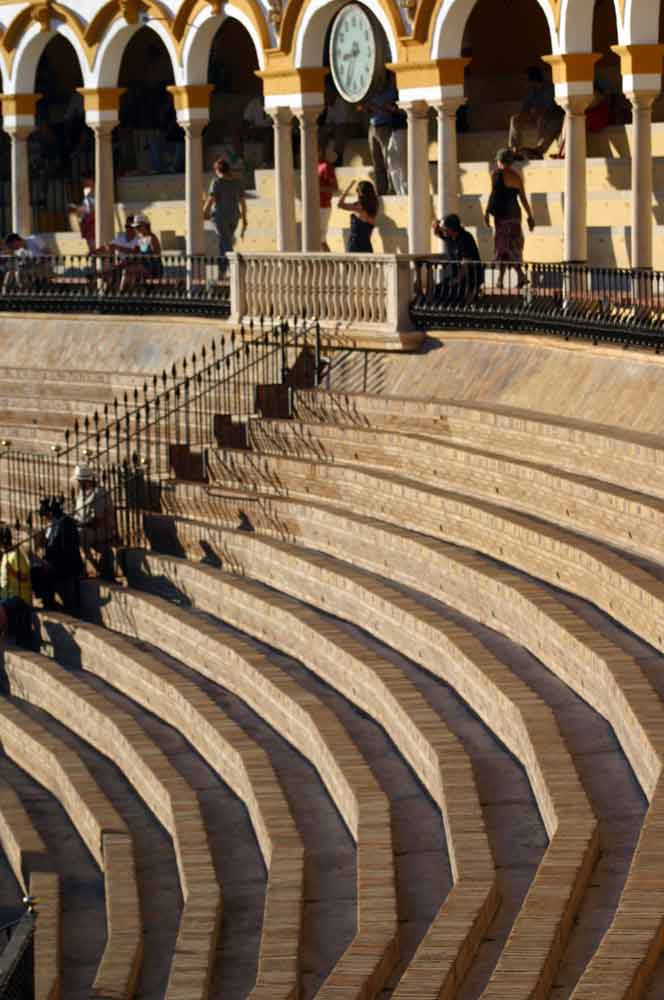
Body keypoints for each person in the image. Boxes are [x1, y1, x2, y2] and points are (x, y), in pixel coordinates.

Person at [484, 148, 534, 288]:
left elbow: (493, 194)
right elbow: (523, 199)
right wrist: (530, 216)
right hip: (516, 216)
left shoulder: (497, 174)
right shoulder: (517, 177)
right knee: (513, 247)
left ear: (500, 161)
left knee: (502, 248)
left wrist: (487, 212)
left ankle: (507, 278)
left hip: (503, 216)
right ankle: (513, 277)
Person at [31, 497, 83, 610]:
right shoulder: (55, 523)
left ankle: (48, 602)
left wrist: (48, 561)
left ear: (50, 514)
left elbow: (66, 551)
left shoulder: (63, 524)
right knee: (35, 569)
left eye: (44, 515)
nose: (43, 518)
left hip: (66, 566)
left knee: (36, 573)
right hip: (56, 562)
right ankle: (47, 600)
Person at [203, 158, 248, 276]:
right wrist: (244, 220)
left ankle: (236, 269)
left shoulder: (217, 182)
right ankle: (221, 272)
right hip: (234, 217)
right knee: (223, 244)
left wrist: (203, 213)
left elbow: (210, 199)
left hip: (220, 217)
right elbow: (242, 203)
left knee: (226, 244)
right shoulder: (237, 182)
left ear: (217, 170)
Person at [508, 66, 564, 159]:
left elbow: (548, 109)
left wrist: (535, 111)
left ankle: (539, 150)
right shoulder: (531, 91)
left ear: (533, 79)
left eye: (527, 80)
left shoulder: (549, 89)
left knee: (541, 117)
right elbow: (525, 109)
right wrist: (524, 115)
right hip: (535, 115)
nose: (525, 83)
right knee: (515, 119)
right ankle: (514, 149)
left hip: (552, 117)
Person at [431, 213, 484, 304]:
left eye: (445, 228)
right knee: (436, 292)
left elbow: (465, 263)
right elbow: (436, 232)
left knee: (451, 297)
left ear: (451, 229)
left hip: (469, 278)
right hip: (454, 277)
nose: (443, 230)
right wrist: (435, 224)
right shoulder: (448, 236)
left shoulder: (465, 238)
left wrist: (456, 280)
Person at [364, 74, 399, 195]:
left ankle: (392, 187)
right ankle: (381, 189)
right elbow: (363, 108)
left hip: (385, 126)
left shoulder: (391, 92)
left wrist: (383, 108)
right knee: (376, 160)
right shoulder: (372, 93)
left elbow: (394, 107)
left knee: (387, 159)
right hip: (373, 126)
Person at [338, 179, 379, 253]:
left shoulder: (359, 206)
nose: (356, 191)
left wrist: (349, 187)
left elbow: (340, 204)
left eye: (357, 190)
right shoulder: (374, 206)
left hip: (355, 246)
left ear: (361, 193)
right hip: (366, 246)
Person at [0, 527, 31, 605]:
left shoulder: (15, 555)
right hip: (6, 599)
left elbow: (25, 578)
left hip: (18, 603)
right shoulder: (5, 554)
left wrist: (11, 571)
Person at [318, 143, 339, 251]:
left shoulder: (326, 167)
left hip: (323, 206)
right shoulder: (311, 167)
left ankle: (330, 263)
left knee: (320, 240)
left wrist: (318, 189)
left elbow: (335, 188)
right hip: (312, 207)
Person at [70, 177, 95, 253]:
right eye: (85, 185)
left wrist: (78, 208)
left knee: (92, 241)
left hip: (92, 221)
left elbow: (91, 209)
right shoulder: (87, 196)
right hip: (87, 222)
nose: (86, 187)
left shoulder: (95, 195)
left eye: (88, 184)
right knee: (89, 241)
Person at [386, 109, 408, 196]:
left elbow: (405, 111)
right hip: (394, 131)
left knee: (402, 164)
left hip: (403, 129)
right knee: (392, 163)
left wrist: (392, 109)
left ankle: (405, 193)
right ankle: (399, 193)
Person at [134, 215, 163, 280]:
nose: (136, 229)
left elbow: (156, 256)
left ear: (146, 225)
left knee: (129, 271)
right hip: (143, 268)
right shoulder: (140, 238)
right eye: (136, 227)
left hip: (153, 269)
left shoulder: (152, 238)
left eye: (138, 226)